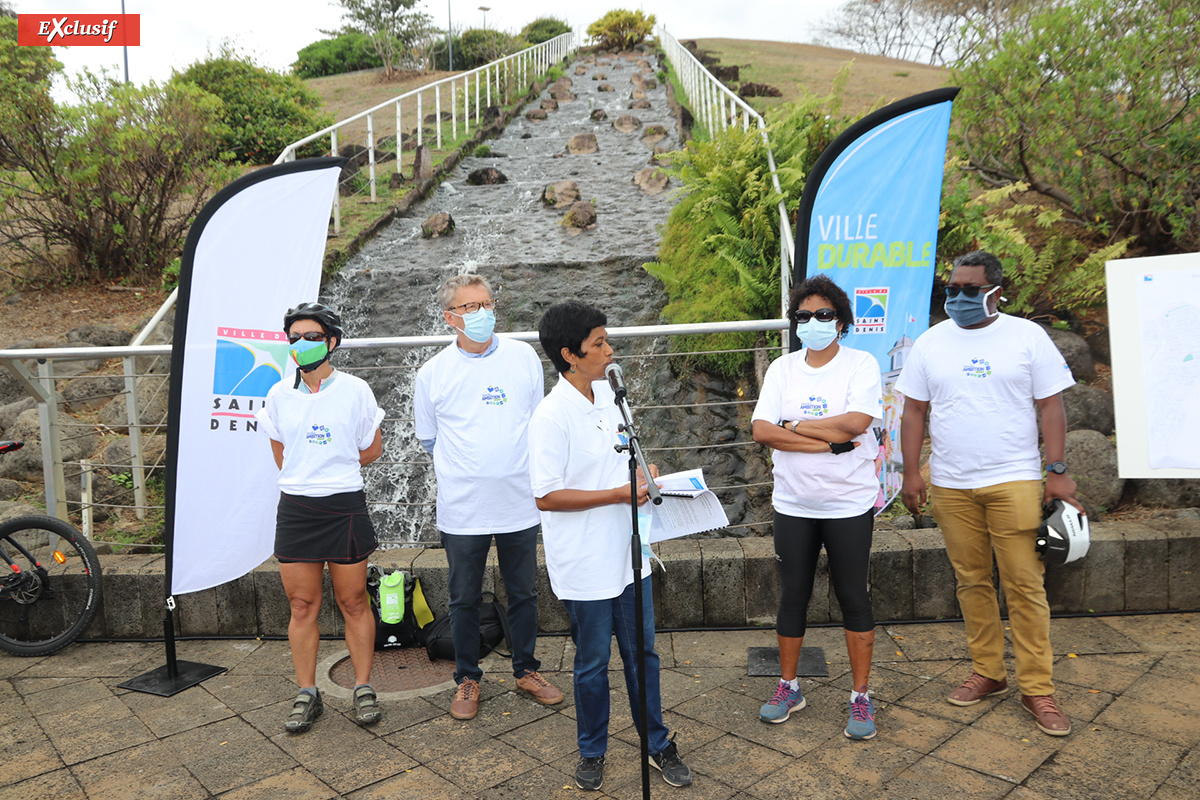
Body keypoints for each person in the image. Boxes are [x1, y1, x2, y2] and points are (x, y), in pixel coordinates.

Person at [896, 250, 1081, 737]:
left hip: (1014, 479)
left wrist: (1056, 471)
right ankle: (989, 673)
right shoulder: (932, 342)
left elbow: (1051, 406)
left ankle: (1038, 689)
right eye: (951, 290)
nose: (958, 298)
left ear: (997, 291)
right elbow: (913, 411)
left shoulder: (1026, 336)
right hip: (952, 483)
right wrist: (911, 473)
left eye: (969, 290)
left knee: (1024, 584)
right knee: (971, 581)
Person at [528, 302, 692, 791]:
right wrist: (621, 493)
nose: (609, 350)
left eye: (606, 339)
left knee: (643, 654)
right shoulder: (551, 417)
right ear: (569, 355)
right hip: (584, 561)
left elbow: (624, 457)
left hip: (629, 552)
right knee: (592, 663)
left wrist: (646, 475)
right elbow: (546, 494)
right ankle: (592, 750)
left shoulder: (611, 397)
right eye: (598, 343)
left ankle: (658, 743)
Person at [414, 274, 563, 720]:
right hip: (464, 507)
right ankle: (467, 678)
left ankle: (526, 670)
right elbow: (428, 439)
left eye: (487, 303)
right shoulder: (433, 373)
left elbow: (538, 421)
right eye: (470, 307)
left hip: (520, 499)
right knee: (462, 597)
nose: (482, 313)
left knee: (524, 592)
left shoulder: (523, 357)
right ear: (450, 318)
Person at [750, 274, 884, 741]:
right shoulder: (783, 370)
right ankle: (789, 686)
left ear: (842, 322)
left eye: (823, 315)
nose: (813, 322)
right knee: (792, 596)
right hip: (793, 502)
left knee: (853, 596)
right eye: (803, 316)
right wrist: (825, 445)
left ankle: (861, 696)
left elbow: (854, 424)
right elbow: (763, 431)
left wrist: (797, 423)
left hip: (848, 503)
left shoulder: (861, 365)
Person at [256, 302, 385, 733]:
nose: (302, 345)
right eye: (294, 338)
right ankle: (307, 693)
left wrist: (335, 468)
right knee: (301, 604)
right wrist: (309, 473)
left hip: (344, 506)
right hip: (297, 509)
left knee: (353, 601)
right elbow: (282, 456)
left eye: (312, 337)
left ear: (331, 342)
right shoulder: (278, 395)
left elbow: (372, 449)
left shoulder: (356, 390)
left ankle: (363, 686)